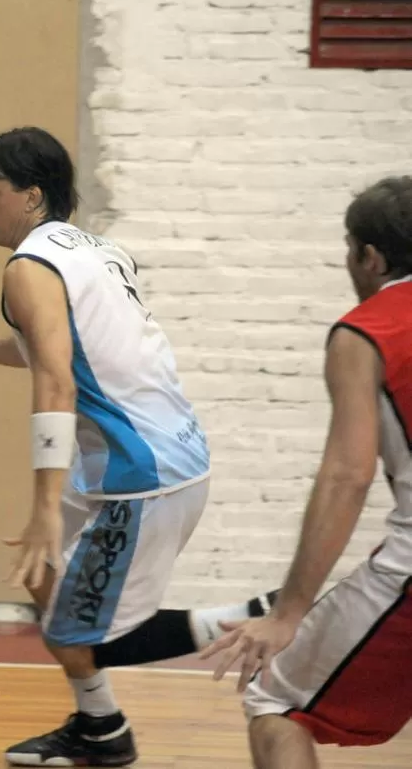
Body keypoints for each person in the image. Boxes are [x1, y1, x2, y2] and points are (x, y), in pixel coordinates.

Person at [0, 125, 279, 767]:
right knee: (41, 575)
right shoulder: (96, 250)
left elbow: (57, 379)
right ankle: (101, 728)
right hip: (157, 455)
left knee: (88, 633)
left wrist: (44, 505)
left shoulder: (30, 267)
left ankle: (259, 615)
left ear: (31, 196)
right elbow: (53, 351)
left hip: (142, 473)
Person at [201, 177, 412, 769]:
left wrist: (288, 611)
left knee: (275, 698)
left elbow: (348, 475)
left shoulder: (368, 329)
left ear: (370, 256)